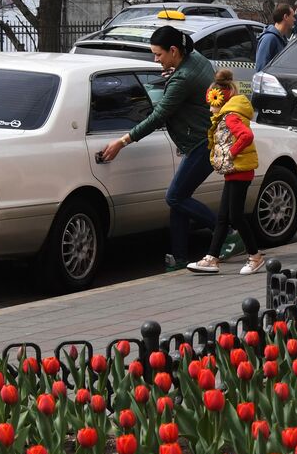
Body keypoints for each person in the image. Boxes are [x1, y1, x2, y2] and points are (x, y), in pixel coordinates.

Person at [100, 23, 217, 271]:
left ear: (174, 50)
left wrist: (123, 141)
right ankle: (180, 257)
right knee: (179, 198)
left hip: (200, 142)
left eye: (159, 54)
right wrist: (172, 76)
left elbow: (158, 116)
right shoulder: (194, 58)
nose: (156, 59)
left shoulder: (182, 78)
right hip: (204, 136)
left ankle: (227, 231)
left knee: (174, 196)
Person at [187, 70, 267, 275]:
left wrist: (230, 153)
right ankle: (212, 258)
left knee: (236, 216)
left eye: (212, 101)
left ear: (220, 97)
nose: (210, 107)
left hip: (240, 170)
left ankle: (255, 257)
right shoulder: (231, 112)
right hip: (236, 171)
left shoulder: (230, 116)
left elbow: (246, 136)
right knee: (223, 217)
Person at [256, 3, 296, 73]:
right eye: (293, 16)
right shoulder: (269, 38)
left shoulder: (283, 39)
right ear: (285, 17)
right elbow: (261, 68)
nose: (294, 19)